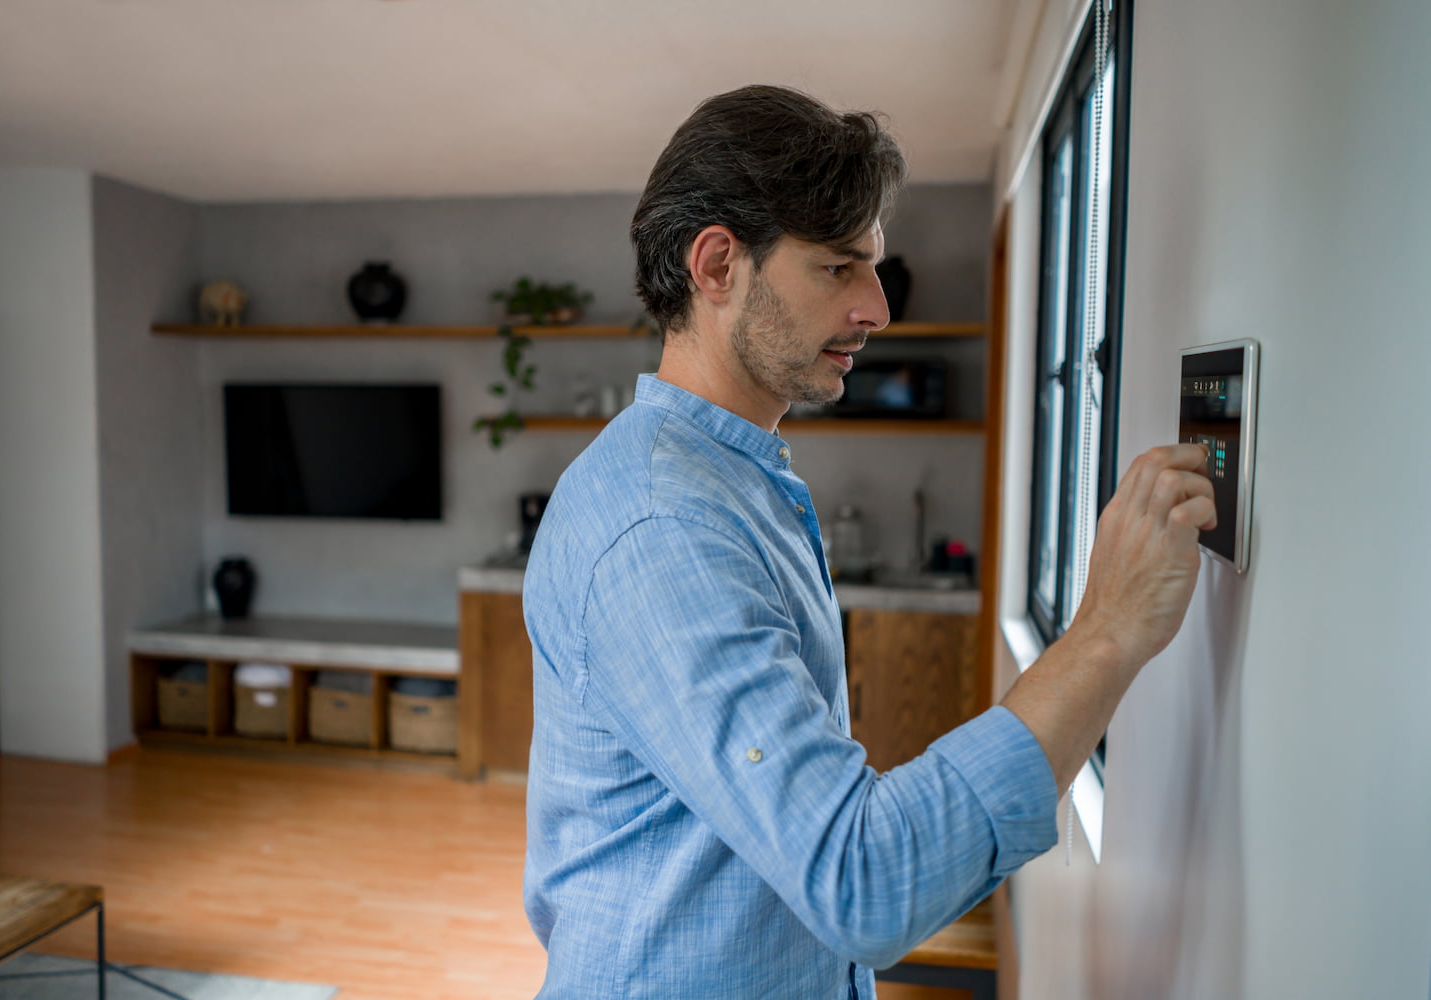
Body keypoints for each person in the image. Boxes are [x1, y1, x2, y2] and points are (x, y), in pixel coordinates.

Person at [521, 84, 1215, 1000]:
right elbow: (861, 879)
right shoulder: (665, 529)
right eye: (840, 268)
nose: (877, 308)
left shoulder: (732, 479)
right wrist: (1107, 630)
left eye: (874, 268)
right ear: (718, 265)